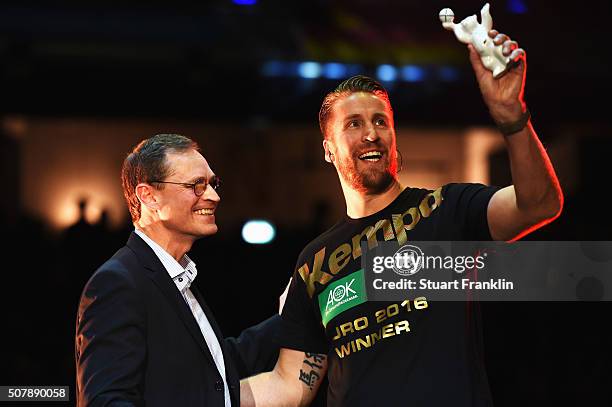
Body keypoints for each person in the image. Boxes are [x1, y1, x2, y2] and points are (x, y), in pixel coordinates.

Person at [240, 29, 563, 406]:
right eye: (354, 124)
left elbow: (539, 204)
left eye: (381, 122)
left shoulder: (448, 208)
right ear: (329, 150)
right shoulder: (314, 265)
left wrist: (512, 117)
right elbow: (289, 386)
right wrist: (205, 391)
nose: (372, 134)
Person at [75, 134, 282, 406]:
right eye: (196, 185)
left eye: (212, 183)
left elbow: (216, 369)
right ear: (149, 197)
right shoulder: (117, 283)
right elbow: (107, 401)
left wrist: (291, 316)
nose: (213, 196)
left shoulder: (176, 277)